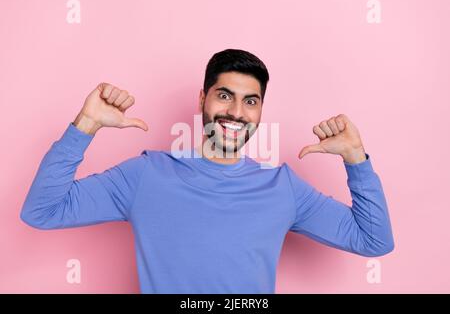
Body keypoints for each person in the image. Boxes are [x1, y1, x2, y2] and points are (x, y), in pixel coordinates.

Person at [20, 49, 394, 293]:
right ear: (203, 99)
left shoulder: (283, 188)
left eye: (250, 101)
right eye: (224, 95)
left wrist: (356, 159)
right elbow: (42, 211)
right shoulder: (145, 176)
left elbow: (374, 240)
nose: (235, 112)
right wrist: (85, 124)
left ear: (261, 111)